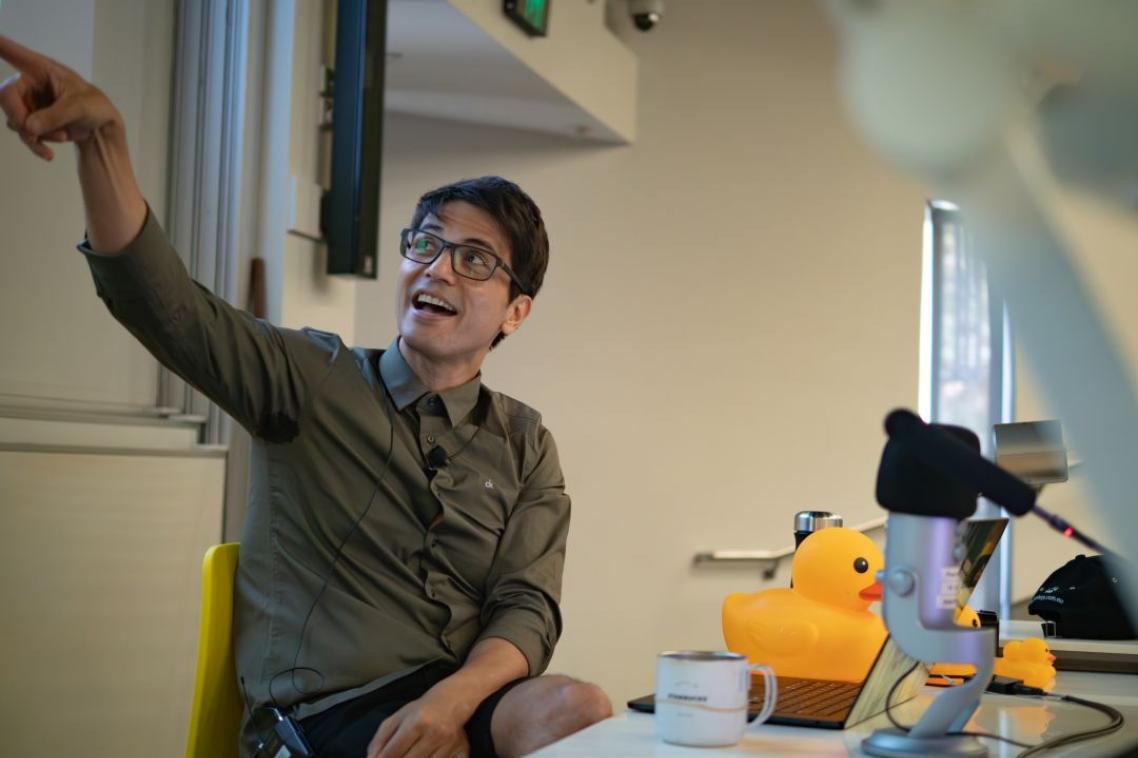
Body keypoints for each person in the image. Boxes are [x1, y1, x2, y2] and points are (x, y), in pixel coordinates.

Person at [0, 35, 612, 758]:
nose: (437, 270)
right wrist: (102, 142)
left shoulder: (525, 442)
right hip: (321, 721)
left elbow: (527, 606)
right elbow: (165, 307)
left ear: (516, 311)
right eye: (425, 243)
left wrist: (449, 703)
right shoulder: (310, 378)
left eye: (474, 259)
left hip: (459, 699)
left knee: (579, 709)